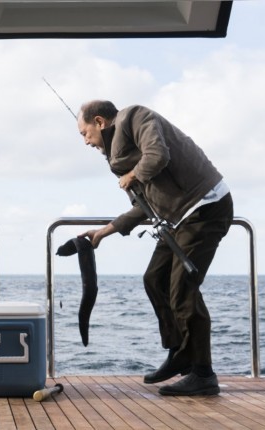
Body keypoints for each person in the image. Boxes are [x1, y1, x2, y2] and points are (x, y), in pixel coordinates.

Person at [76, 100, 233, 396]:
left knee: (182, 289)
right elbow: (143, 207)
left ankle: (203, 373)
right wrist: (105, 231)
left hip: (205, 206)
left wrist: (133, 175)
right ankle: (180, 353)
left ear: (99, 121)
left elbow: (157, 155)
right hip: (177, 218)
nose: (85, 142)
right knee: (154, 279)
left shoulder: (135, 116)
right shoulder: (117, 159)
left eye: (84, 133)